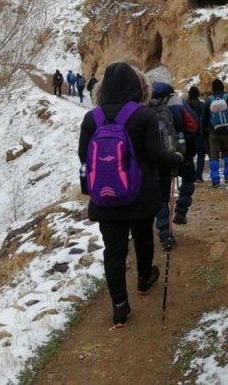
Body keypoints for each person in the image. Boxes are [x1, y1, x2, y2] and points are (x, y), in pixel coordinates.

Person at [78, 62, 184, 327]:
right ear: (139, 87)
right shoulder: (144, 116)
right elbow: (158, 155)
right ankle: (144, 279)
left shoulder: (92, 119)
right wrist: (177, 157)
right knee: (143, 238)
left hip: (105, 197)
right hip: (139, 196)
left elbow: (83, 156)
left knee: (113, 252)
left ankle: (119, 306)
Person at [151, 82, 199, 235]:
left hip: (160, 155)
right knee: (189, 179)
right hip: (182, 151)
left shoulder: (146, 107)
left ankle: (165, 232)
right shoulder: (178, 103)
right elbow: (193, 125)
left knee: (161, 194)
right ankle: (181, 211)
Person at [200, 79, 228, 187]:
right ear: (223, 87)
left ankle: (215, 180)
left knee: (214, 156)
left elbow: (203, 118)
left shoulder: (208, 101)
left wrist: (203, 131)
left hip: (213, 132)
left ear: (212, 89)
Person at [186, 86, 207, 182]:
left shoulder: (185, 104)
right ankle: (198, 176)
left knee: (188, 155)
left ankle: (189, 174)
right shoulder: (202, 105)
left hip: (187, 133)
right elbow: (205, 119)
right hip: (199, 132)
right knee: (201, 154)